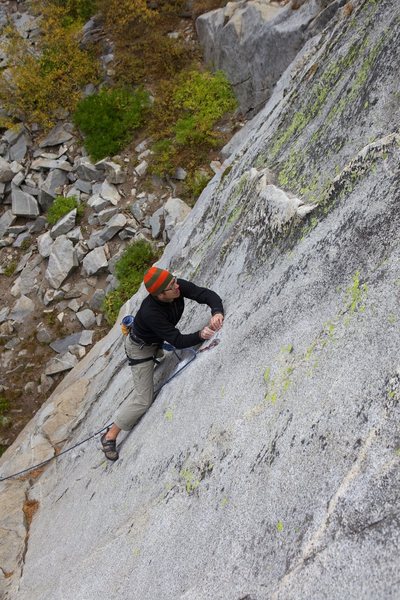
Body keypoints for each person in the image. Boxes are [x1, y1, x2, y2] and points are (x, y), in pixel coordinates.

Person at [101, 266, 224, 460]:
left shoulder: (175, 287)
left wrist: (216, 311)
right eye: (171, 285)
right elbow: (177, 340)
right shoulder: (151, 312)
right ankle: (110, 434)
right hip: (140, 349)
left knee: (160, 356)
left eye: (174, 281)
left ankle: (156, 355)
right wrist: (200, 334)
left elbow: (204, 294)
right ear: (159, 294)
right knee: (143, 400)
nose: (177, 286)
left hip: (156, 340)